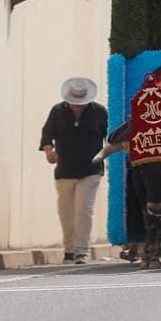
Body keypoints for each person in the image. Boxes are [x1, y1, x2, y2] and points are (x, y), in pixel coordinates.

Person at [40, 77, 108, 264]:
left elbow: (109, 136)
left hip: (91, 169)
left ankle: (81, 251)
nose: (77, 107)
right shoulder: (57, 111)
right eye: (74, 103)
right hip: (65, 170)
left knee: (84, 210)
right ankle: (69, 249)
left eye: (81, 104)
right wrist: (48, 151)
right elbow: (47, 134)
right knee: (66, 211)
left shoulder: (99, 112)